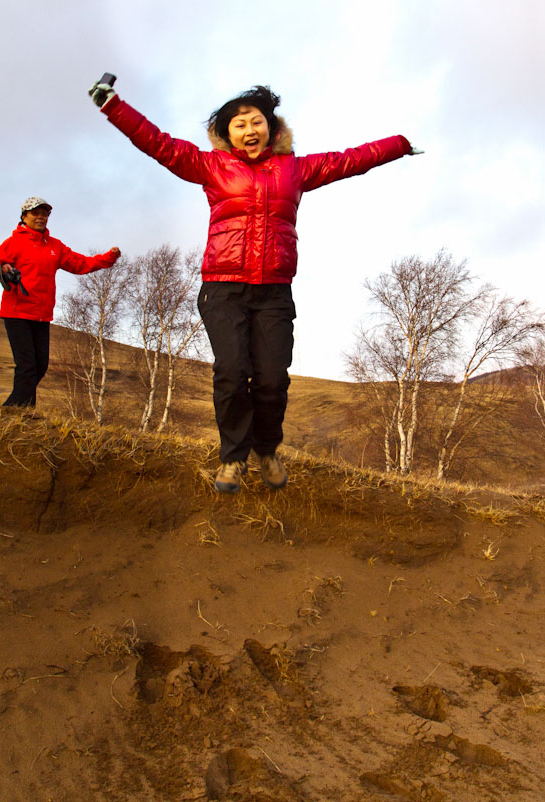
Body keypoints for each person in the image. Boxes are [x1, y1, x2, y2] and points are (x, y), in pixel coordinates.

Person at [88, 79, 423, 493]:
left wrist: (400, 143)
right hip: (223, 288)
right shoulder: (210, 166)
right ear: (227, 134)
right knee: (232, 372)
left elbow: (350, 159)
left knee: (271, 378)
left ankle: (266, 450)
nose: (249, 130)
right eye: (239, 124)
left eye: (256, 121)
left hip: (274, 292)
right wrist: (113, 106)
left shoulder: (295, 169)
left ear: (271, 127)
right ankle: (232, 459)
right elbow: (158, 143)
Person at [0, 197, 121, 409]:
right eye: (35, 213)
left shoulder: (55, 246)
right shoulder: (13, 243)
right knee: (27, 366)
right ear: (24, 216)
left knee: (40, 366)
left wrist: (107, 259)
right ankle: (20, 411)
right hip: (17, 312)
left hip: (42, 314)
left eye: (45, 213)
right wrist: (2, 271)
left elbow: (80, 264)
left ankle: (14, 407)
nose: (41, 217)